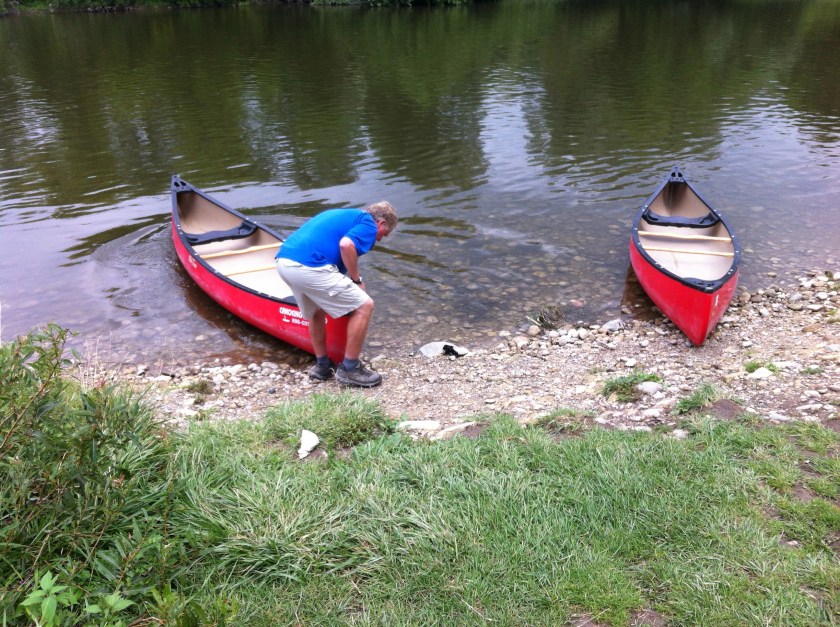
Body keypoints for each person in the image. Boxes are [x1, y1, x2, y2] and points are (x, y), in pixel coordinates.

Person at [275, 201, 397, 387]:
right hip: (309, 265)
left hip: (284, 262)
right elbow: (346, 245)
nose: (379, 239)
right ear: (381, 223)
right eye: (384, 234)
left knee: (316, 313)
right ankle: (350, 369)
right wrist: (356, 281)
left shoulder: (346, 215)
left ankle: (322, 366)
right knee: (364, 306)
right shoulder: (368, 223)